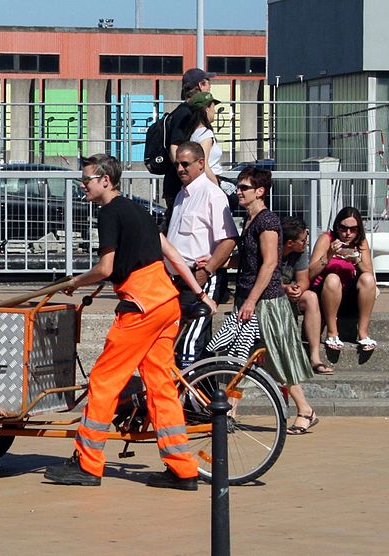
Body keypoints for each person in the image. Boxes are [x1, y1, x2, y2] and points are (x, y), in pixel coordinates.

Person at [44, 154, 217, 490]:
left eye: (88, 179)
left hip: (141, 307)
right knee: (161, 385)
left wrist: (74, 283)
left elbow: (107, 268)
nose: (83, 185)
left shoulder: (108, 212)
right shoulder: (137, 210)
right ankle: (183, 470)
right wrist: (199, 292)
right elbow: (170, 253)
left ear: (105, 180)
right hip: (166, 303)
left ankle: (88, 464)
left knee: (105, 380)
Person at [207, 167, 317, 435]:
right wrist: (214, 263)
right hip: (249, 298)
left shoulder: (267, 221)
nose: (239, 192)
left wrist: (250, 301)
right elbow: (248, 261)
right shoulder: (250, 220)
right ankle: (230, 412)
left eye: (244, 187)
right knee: (238, 356)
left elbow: (269, 265)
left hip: (266, 303)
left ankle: (305, 410)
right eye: (239, 187)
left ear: (260, 191)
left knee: (280, 355)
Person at [166, 141, 238, 369]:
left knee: (190, 344)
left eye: (185, 164)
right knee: (182, 342)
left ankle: (189, 401)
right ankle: (204, 399)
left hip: (200, 278)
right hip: (178, 280)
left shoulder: (212, 195)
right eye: (177, 164)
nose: (180, 169)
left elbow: (228, 239)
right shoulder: (181, 196)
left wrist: (207, 270)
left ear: (201, 163)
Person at [308, 206, 377, 351]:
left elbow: (369, 273)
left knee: (368, 279)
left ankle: (363, 333)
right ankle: (332, 333)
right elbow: (310, 274)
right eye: (343, 228)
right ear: (337, 226)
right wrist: (329, 255)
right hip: (327, 293)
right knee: (333, 277)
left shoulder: (361, 242)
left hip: (349, 295)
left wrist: (356, 260)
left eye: (353, 229)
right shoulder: (326, 239)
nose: (348, 233)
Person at [162, 67, 216, 228]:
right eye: (208, 83)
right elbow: (175, 146)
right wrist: (184, 173)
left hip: (181, 183)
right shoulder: (184, 113)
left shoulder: (185, 111)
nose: (210, 87)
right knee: (178, 227)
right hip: (179, 184)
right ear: (201, 85)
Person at [280, 216, 333, 374]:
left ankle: (315, 357)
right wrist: (284, 288)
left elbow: (303, 280)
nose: (307, 242)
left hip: (290, 293)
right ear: (290, 243)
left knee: (310, 297)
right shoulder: (271, 250)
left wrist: (298, 289)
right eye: (303, 240)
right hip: (269, 295)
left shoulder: (299, 252)